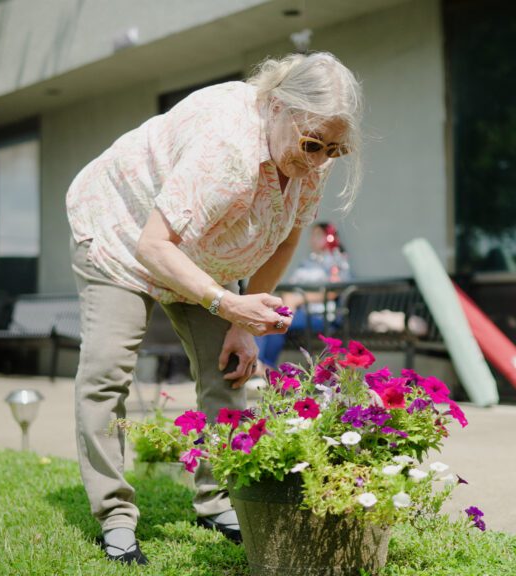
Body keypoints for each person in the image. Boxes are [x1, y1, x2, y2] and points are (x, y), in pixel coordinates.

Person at [64, 52, 364, 565]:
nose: (318, 162)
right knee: (106, 373)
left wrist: (242, 322)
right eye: (312, 146)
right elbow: (154, 246)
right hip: (123, 232)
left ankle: (216, 498)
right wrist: (225, 302)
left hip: (207, 248)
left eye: (332, 149)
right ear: (276, 107)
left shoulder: (312, 148)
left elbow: (288, 236)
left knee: (228, 371)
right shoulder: (225, 150)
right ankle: (114, 516)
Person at [253, 221, 351, 377]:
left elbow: (334, 291)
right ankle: (261, 365)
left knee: (277, 322)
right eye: (313, 235)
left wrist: (299, 300)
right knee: (272, 320)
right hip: (297, 312)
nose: (314, 239)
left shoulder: (336, 260)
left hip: (319, 316)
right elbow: (292, 286)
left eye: (319, 235)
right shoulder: (308, 262)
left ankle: (264, 369)